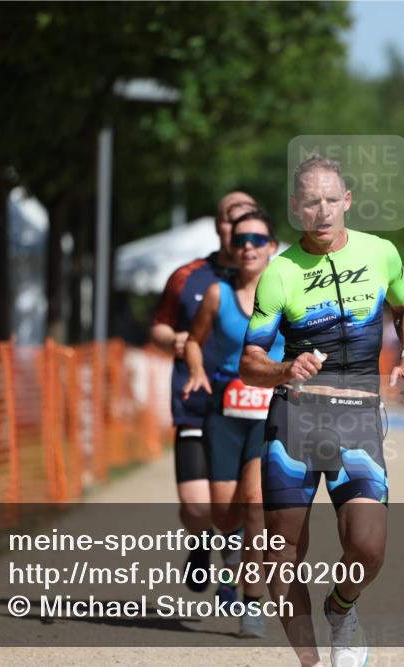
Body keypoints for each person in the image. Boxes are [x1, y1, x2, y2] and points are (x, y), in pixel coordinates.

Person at [239, 155, 404, 667]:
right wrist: (283, 370)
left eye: (330, 200)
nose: (321, 212)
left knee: (368, 547)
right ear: (295, 208)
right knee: (283, 555)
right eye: (310, 202)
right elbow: (249, 362)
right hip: (294, 422)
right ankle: (312, 663)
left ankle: (341, 607)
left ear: (346, 202)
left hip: (359, 420)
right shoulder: (279, 273)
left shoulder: (380, 252)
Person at [182, 210, 285, 638]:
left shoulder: (287, 295)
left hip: (269, 414)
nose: (248, 246)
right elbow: (194, 341)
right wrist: (196, 369)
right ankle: (226, 548)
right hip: (224, 413)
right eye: (241, 239)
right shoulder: (216, 295)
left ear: (272, 248)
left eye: (258, 240)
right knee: (225, 516)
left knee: (257, 505)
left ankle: (252, 604)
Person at [149, 190, 256, 591]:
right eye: (230, 217)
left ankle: (235, 572)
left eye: (246, 218)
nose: (237, 227)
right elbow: (158, 326)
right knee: (197, 507)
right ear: (218, 225)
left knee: (248, 499)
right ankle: (202, 539)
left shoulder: (274, 278)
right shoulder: (188, 276)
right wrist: (176, 340)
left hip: (250, 407)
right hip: (196, 403)